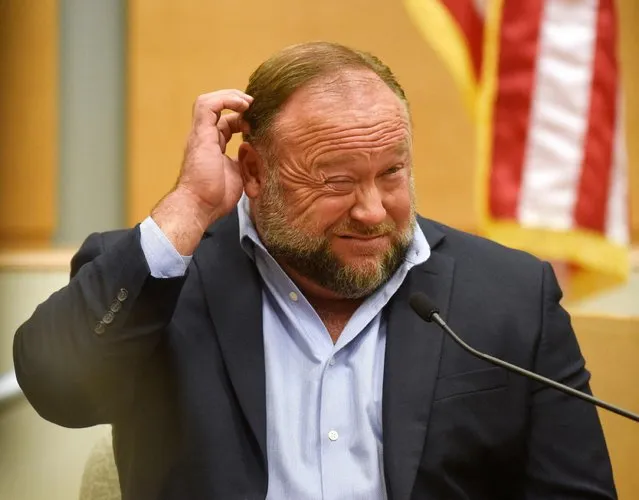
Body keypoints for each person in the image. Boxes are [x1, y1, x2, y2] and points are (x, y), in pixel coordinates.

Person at [14, 42, 616, 500]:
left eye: (391, 173)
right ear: (253, 172)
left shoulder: (509, 295)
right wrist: (189, 208)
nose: (373, 210)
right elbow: (56, 389)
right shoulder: (167, 280)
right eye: (336, 182)